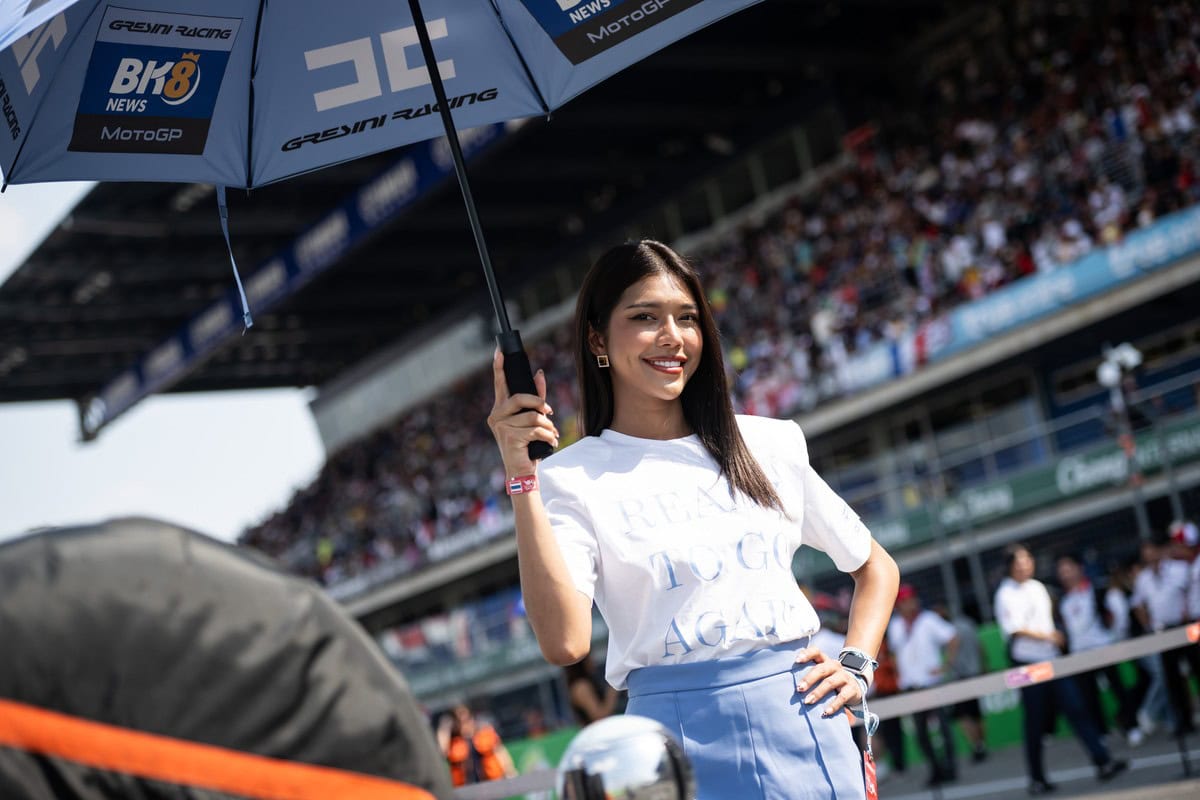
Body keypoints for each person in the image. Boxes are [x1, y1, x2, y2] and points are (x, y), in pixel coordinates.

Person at [487, 240, 900, 800]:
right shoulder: (569, 477)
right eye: (644, 318)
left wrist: (855, 664)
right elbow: (564, 643)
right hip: (669, 748)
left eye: (686, 318)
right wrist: (522, 476)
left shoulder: (769, 443)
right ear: (597, 339)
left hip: (805, 720)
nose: (672, 337)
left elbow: (876, 567)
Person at [994, 543, 1127, 795]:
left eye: (1028, 559)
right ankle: (1037, 779)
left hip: (1052, 661)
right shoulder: (1005, 594)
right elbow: (1015, 629)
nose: (1025, 565)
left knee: (1077, 709)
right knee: (1035, 722)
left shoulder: (1037, 587)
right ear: (1010, 566)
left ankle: (1103, 762)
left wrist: (1055, 637)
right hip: (1026, 665)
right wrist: (1049, 637)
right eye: (1019, 562)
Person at [1056, 552, 1143, 746]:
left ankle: (1132, 726)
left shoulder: (1096, 590)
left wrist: (1114, 639)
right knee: (1089, 697)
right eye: (1061, 571)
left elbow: (1116, 616)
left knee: (1118, 690)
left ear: (1079, 568)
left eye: (1068, 569)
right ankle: (1101, 733)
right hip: (1080, 654)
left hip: (1103, 649)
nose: (1065, 574)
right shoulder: (1063, 601)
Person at [887, 585, 959, 786]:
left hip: (931, 683)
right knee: (920, 733)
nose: (909, 604)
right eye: (904, 601)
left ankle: (950, 768)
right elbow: (894, 653)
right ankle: (935, 769)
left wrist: (946, 664)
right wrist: (899, 675)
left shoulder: (928, 619)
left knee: (943, 728)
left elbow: (952, 637)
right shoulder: (896, 625)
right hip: (911, 685)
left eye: (911, 599)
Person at [1131, 536, 1200, 737]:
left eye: (1152, 549)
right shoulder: (1143, 578)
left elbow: (1191, 593)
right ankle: (1183, 721)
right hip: (1162, 632)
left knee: (1197, 668)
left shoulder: (1180, 569)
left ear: (1161, 549)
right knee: (1172, 679)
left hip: (1185, 628)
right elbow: (1138, 604)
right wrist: (1148, 626)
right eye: (1146, 551)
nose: (1149, 554)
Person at [937, 600, 989, 763]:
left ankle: (977, 746)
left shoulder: (948, 631)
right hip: (973, 673)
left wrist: (946, 666)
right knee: (975, 713)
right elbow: (980, 646)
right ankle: (981, 744)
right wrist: (983, 665)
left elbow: (954, 648)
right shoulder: (967, 624)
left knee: (964, 716)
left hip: (959, 676)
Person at [436, 704, 518, 788]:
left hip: (491, 783)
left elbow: (500, 752)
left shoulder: (484, 733)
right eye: (459, 721)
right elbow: (442, 752)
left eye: (466, 719)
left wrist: (509, 770)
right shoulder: (452, 741)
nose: (463, 724)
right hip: (467, 788)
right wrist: (444, 728)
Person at [563, 653, 621, 726]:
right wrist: (613, 690)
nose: (593, 660)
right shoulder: (581, 686)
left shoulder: (581, 683)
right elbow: (600, 716)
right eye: (589, 657)